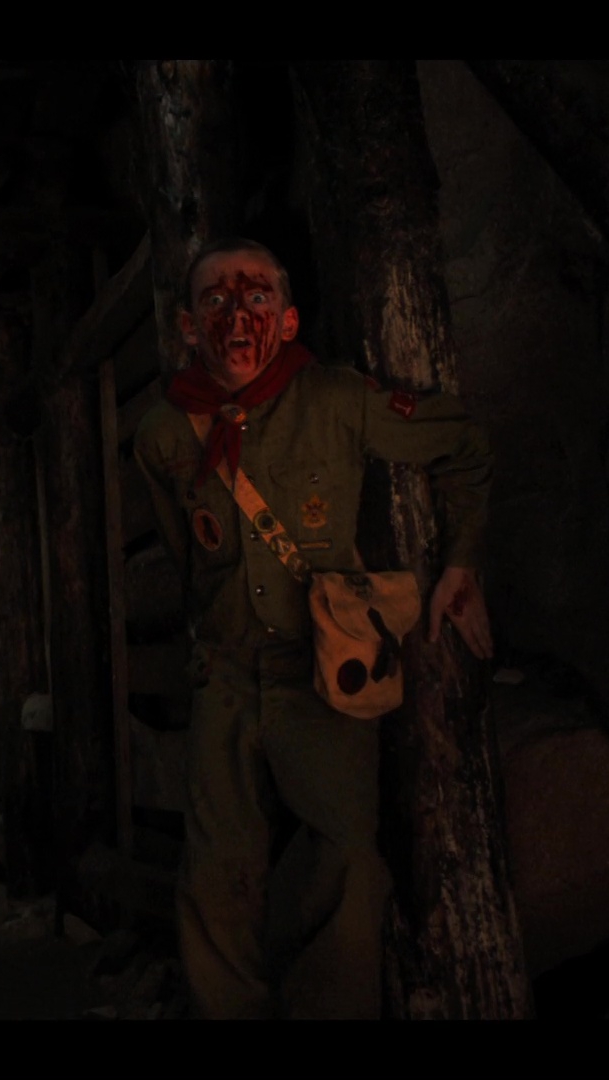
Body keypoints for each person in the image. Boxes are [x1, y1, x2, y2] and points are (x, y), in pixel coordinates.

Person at [132, 238, 495, 1019]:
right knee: (214, 875)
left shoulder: (335, 399)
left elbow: (462, 444)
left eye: (258, 298)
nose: (238, 316)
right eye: (216, 301)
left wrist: (462, 564)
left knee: (348, 859)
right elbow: (187, 559)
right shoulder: (163, 434)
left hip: (324, 671)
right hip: (226, 674)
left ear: (289, 320)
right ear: (188, 327)